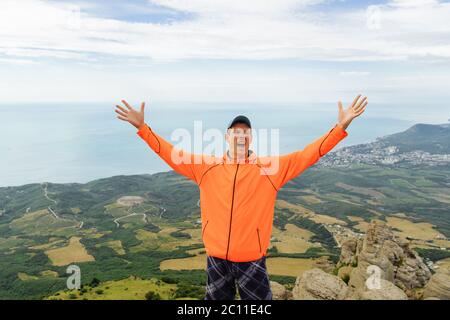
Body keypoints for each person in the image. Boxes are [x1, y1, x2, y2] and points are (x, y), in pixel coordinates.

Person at [114, 95, 368, 300]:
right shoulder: (207, 167)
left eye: (245, 132)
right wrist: (142, 128)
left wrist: (340, 127)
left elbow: (309, 154)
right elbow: (169, 152)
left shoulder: (269, 169)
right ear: (227, 138)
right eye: (235, 132)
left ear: (250, 139)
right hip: (216, 257)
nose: (240, 135)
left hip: (251, 259)